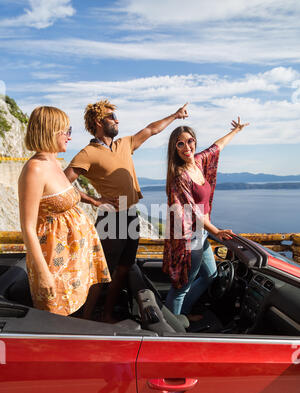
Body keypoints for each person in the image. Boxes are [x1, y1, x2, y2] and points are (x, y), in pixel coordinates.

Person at [64, 99, 189, 322]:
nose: (117, 120)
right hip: (110, 219)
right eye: (112, 117)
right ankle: (85, 319)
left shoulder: (124, 144)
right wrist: (93, 200)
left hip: (131, 215)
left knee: (123, 269)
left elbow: (151, 130)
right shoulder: (88, 153)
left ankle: (107, 314)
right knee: (101, 273)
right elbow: (63, 183)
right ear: (98, 121)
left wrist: (176, 115)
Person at [18, 106, 111, 318]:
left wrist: (94, 201)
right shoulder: (35, 169)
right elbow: (27, 227)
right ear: (50, 131)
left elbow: (64, 193)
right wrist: (43, 274)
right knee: (57, 323)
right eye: (66, 131)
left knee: (73, 320)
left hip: (72, 264)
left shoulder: (53, 163)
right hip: (54, 266)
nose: (70, 136)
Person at [163, 117, 249, 317]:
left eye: (190, 141)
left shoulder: (200, 162)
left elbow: (217, 146)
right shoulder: (180, 176)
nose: (187, 147)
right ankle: (168, 332)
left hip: (201, 235)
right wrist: (216, 231)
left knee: (210, 275)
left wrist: (236, 131)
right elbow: (192, 212)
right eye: (180, 144)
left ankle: (183, 314)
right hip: (189, 237)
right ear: (175, 149)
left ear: (194, 141)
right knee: (181, 288)